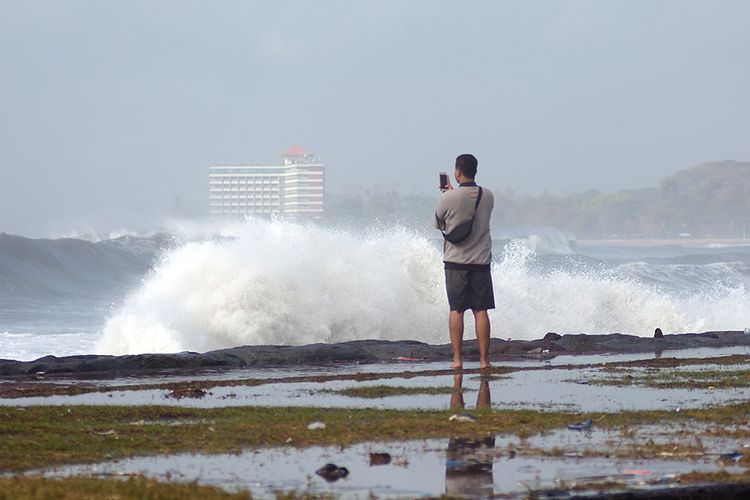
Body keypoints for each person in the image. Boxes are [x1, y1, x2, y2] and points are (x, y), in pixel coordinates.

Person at [435, 153, 495, 369]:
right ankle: (484, 361)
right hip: (481, 261)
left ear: (457, 172)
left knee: (457, 310)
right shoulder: (488, 196)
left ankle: (458, 360)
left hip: (455, 262)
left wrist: (448, 195)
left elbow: (439, 222)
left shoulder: (448, 198)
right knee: (481, 310)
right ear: (475, 171)